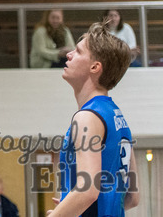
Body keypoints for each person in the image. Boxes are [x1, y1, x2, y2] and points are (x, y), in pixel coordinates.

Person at [47, 21, 138, 216]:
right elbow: (132, 197)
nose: (69, 54)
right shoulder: (117, 116)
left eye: (78, 52)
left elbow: (88, 191)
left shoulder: (87, 117)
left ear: (95, 67)